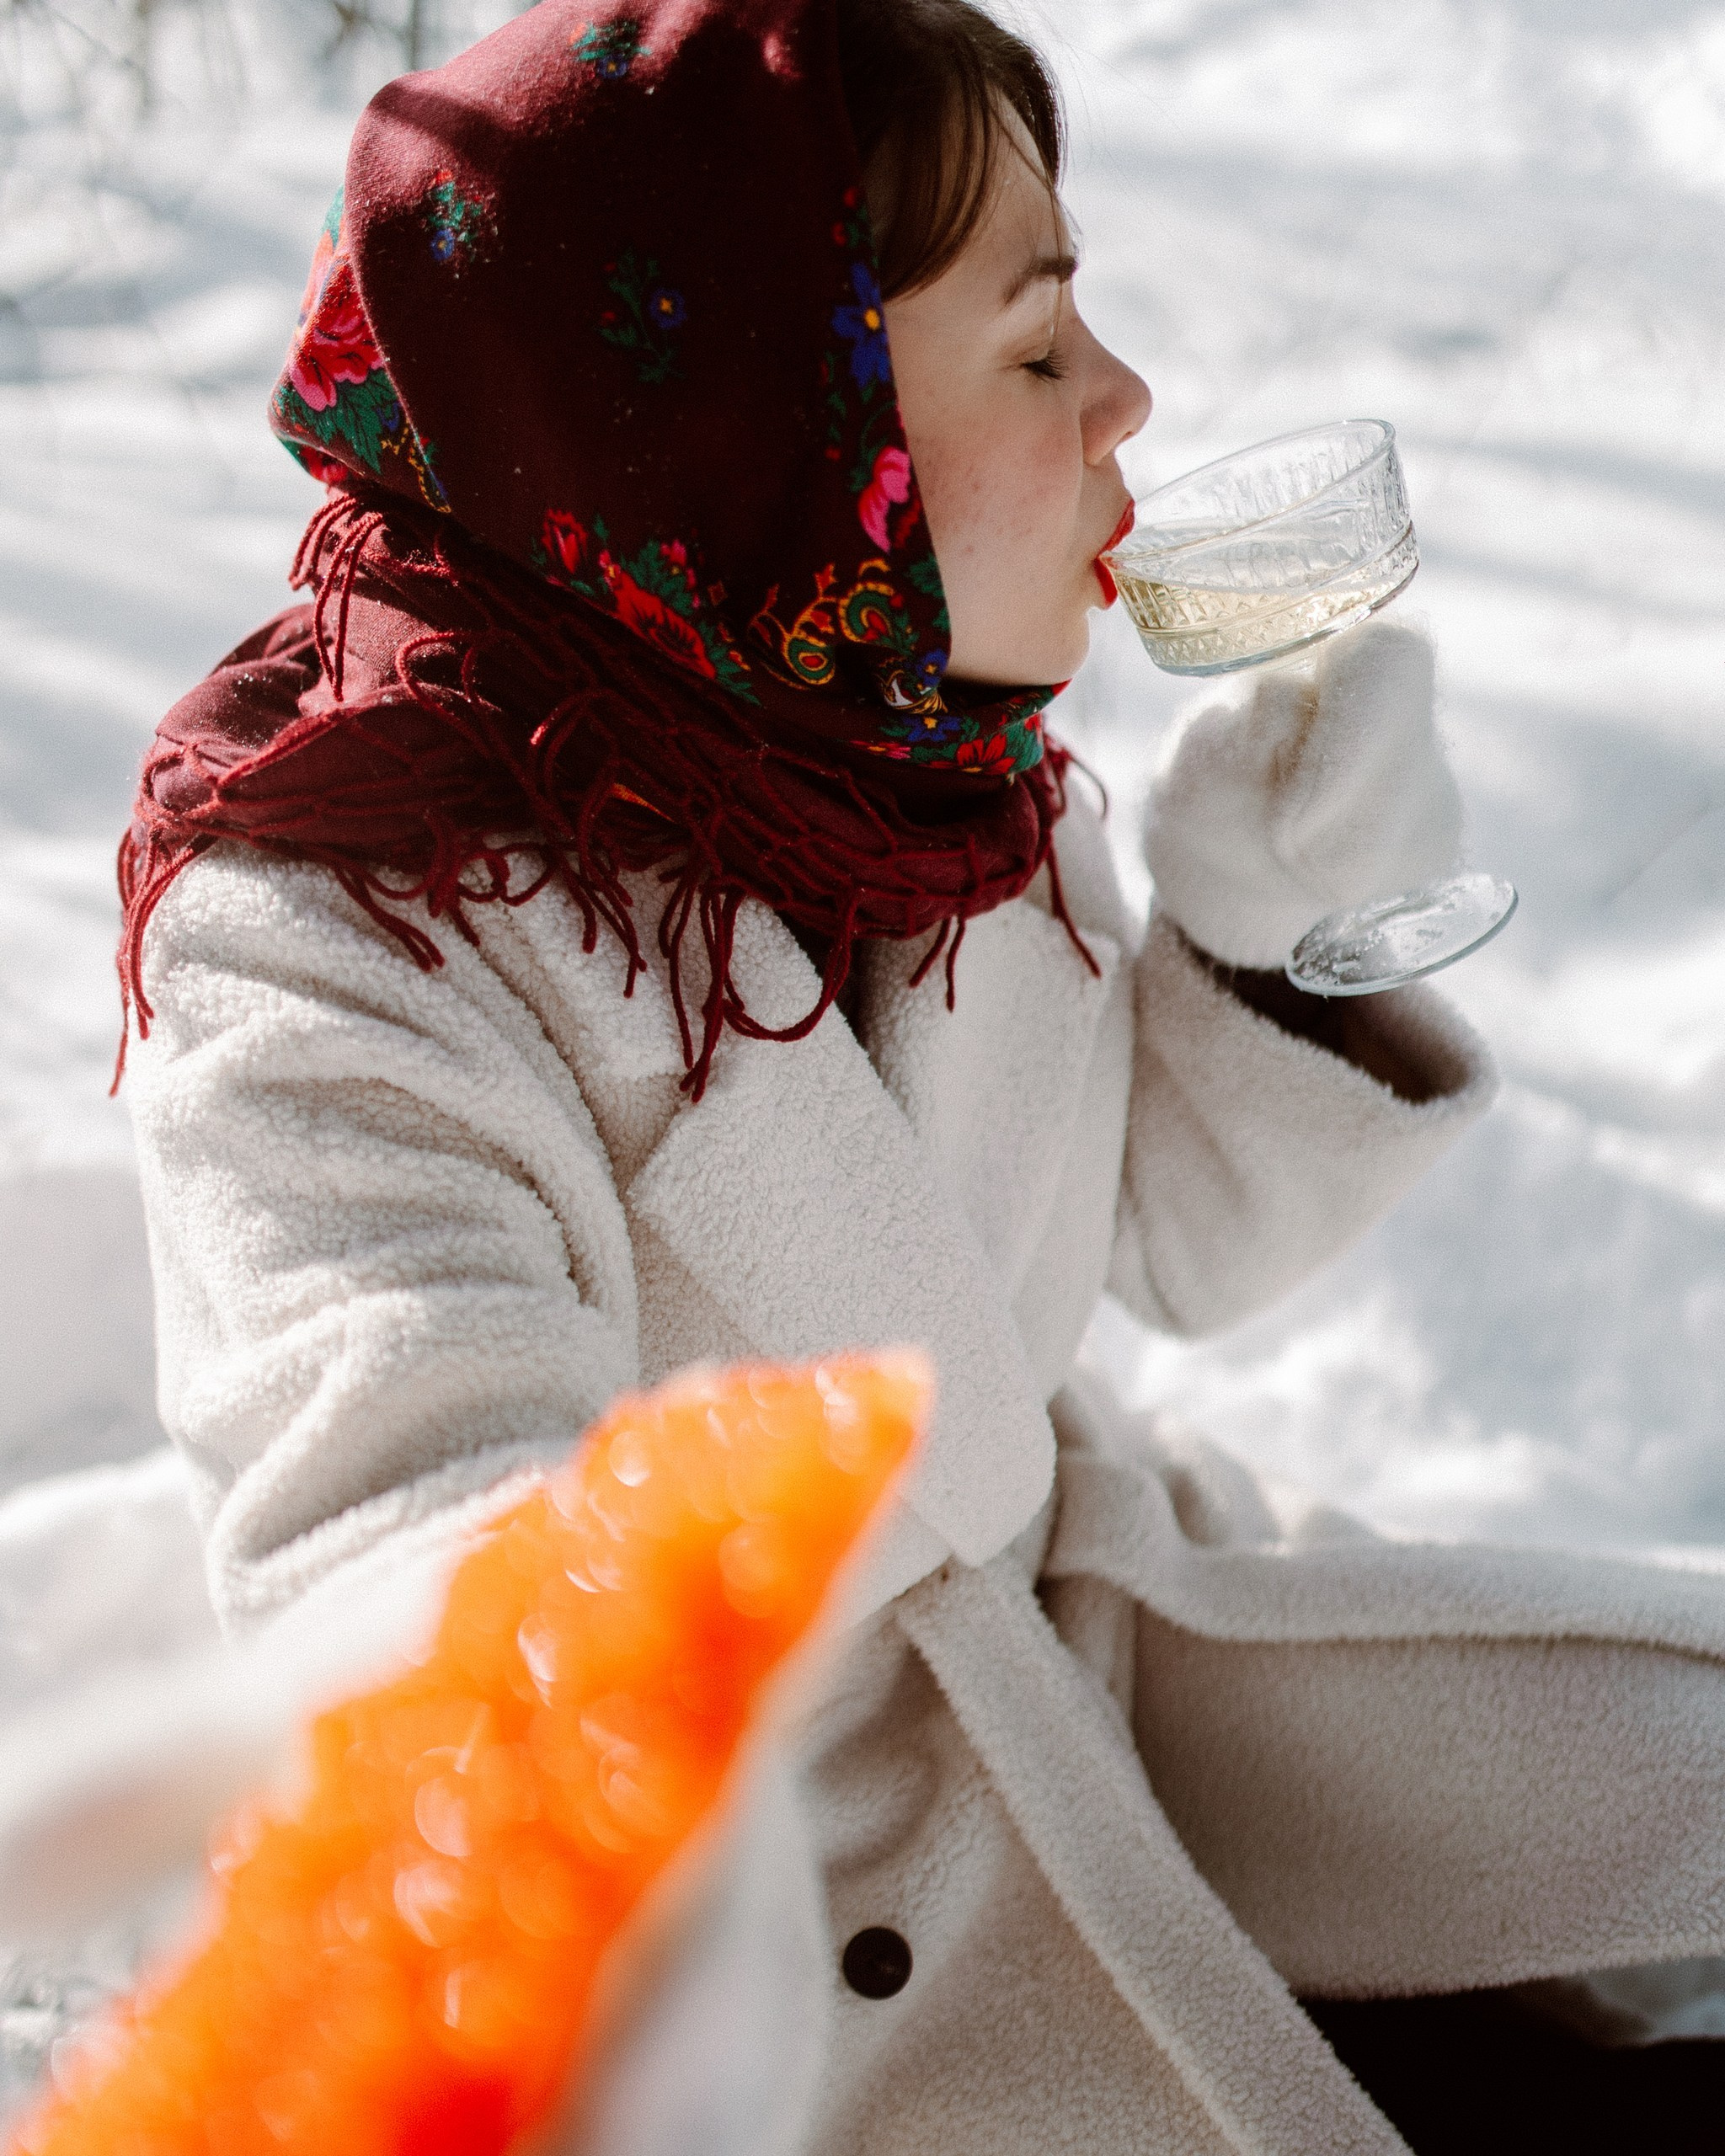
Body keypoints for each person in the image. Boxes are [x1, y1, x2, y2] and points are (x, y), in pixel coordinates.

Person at [115, 1, 1725, 2149]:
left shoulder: (909, 772)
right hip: (780, 1952)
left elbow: (1156, 1241)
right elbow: (420, 1591)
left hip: (1111, 1706)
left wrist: (1266, 929)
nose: (1127, 397)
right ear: (761, 429)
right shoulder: (338, 938)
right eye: (1038, 346)